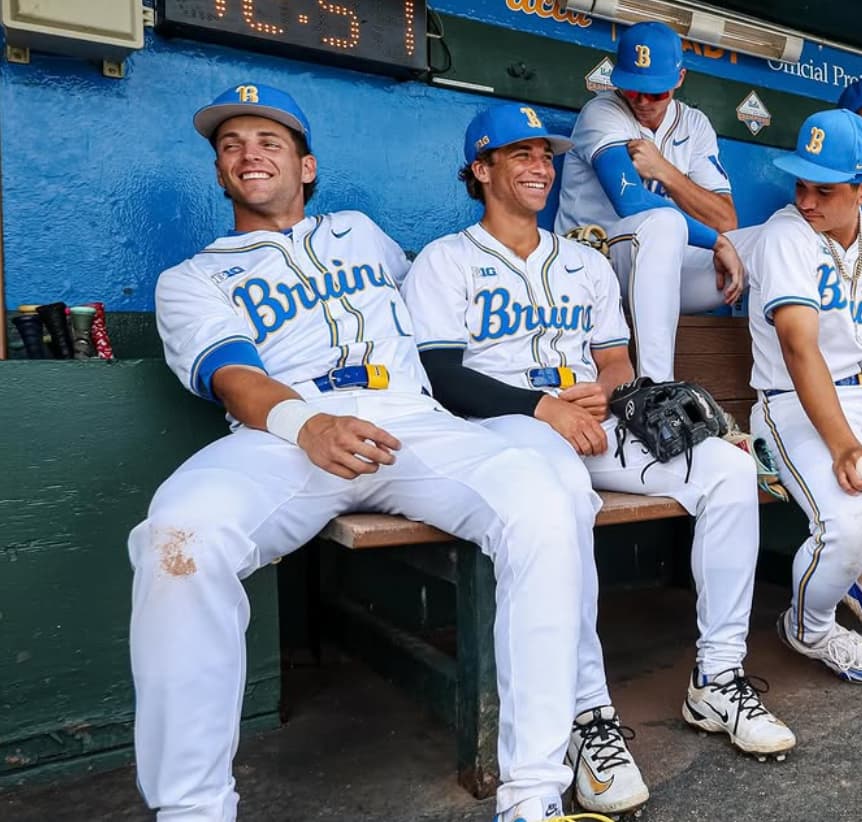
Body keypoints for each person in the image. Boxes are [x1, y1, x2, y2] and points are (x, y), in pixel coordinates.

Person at [129, 83, 589, 822]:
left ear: (305, 167)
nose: (250, 154)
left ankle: (534, 794)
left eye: (269, 141)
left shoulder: (363, 235)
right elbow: (236, 375)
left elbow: (447, 314)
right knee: (177, 540)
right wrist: (303, 423)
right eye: (231, 145)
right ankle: (191, 811)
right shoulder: (192, 278)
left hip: (413, 422)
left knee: (542, 502)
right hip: (284, 436)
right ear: (219, 172)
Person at [401, 103, 797, 816]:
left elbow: (614, 364)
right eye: (518, 154)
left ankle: (719, 678)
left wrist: (616, 402)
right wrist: (541, 409)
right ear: (480, 170)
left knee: (729, 472)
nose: (537, 166)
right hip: (503, 432)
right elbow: (441, 376)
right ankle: (587, 715)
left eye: (545, 155)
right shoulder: (446, 259)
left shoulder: (581, 261)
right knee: (562, 503)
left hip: (591, 425)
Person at [554, 21, 745, 382]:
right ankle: (657, 387)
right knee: (664, 223)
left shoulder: (694, 123)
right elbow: (631, 202)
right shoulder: (602, 112)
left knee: (762, 245)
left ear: (679, 79)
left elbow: (727, 220)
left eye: (655, 93)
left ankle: (786, 390)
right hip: (593, 264)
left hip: (660, 271)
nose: (642, 101)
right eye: (632, 89)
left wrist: (666, 171)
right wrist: (717, 243)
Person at [746, 108, 862, 681]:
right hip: (789, 403)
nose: (808, 200)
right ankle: (808, 628)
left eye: (825, 188)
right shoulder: (786, 236)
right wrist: (844, 445)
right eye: (801, 184)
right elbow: (799, 349)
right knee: (849, 524)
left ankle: (853, 578)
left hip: (856, 396)